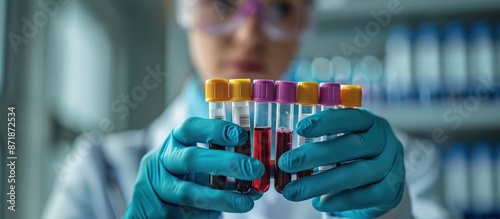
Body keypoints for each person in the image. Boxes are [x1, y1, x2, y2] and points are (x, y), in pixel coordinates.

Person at [43, 0, 450, 218]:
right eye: (223, 2)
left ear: (307, 17)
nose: (250, 34)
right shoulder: (99, 171)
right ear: (184, 9)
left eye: (280, 9)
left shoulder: (400, 168)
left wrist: (391, 217)